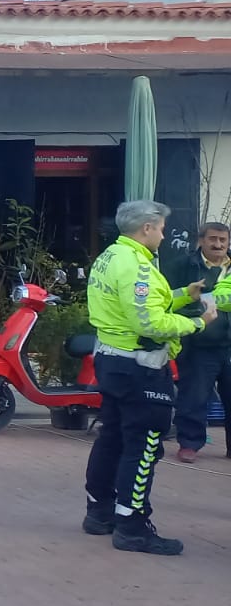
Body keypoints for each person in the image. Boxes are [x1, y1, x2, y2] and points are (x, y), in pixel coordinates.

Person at [82, 200, 213, 555]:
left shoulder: (111, 257)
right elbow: (149, 322)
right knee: (143, 445)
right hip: (139, 367)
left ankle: (100, 512)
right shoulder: (137, 266)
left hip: (112, 359)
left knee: (112, 437)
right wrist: (198, 322)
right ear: (146, 229)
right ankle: (133, 525)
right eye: (161, 228)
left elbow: (141, 305)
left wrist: (184, 294)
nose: (164, 234)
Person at [165, 221, 231, 463]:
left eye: (223, 240)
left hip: (230, 345)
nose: (218, 245)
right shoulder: (182, 266)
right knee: (194, 397)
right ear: (201, 240)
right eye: (213, 239)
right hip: (198, 344)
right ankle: (189, 444)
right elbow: (167, 301)